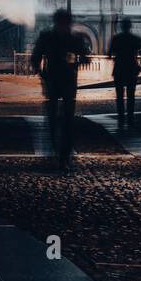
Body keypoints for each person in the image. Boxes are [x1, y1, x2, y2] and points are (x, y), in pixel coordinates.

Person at [31, 10, 91, 171]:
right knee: (61, 120)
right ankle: (60, 155)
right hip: (62, 80)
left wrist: (41, 72)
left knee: (63, 120)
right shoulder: (72, 38)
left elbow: (35, 57)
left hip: (58, 81)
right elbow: (35, 57)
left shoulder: (50, 37)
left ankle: (61, 155)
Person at [109, 17, 141, 130]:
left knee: (120, 97)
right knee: (131, 96)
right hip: (131, 69)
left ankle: (121, 119)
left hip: (119, 69)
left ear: (121, 26)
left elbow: (109, 54)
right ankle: (130, 119)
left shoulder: (116, 38)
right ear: (130, 26)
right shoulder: (135, 39)